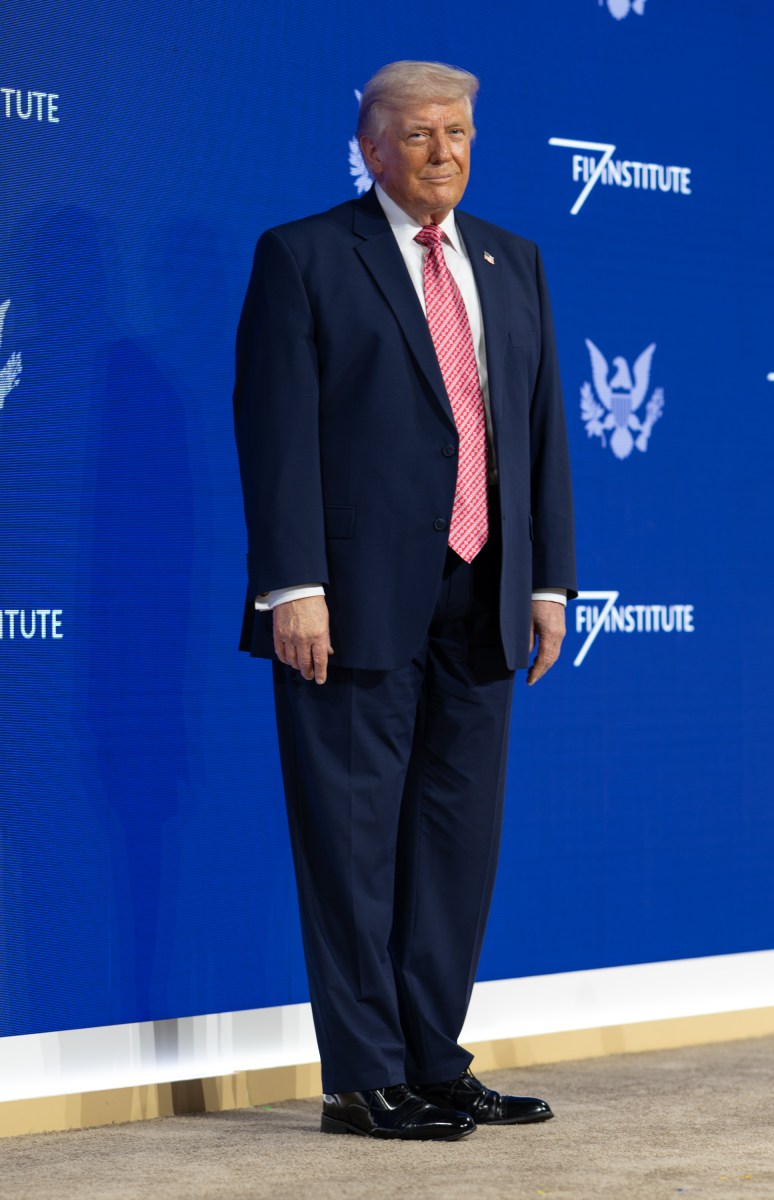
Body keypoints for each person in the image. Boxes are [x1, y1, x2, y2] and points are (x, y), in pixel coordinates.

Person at [234, 60, 577, 1142]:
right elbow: (276, 431)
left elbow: (537, 431)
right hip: (349, 598)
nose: (444, 152)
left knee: (456, 840)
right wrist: (294, 585)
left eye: (459, 132)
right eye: (420, 134)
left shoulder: (511, 259)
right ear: (372, 148)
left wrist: (546, 580)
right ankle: (363, 1076)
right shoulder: (303, 255)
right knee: (351, 842)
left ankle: (433, 1060)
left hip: (485, 588)